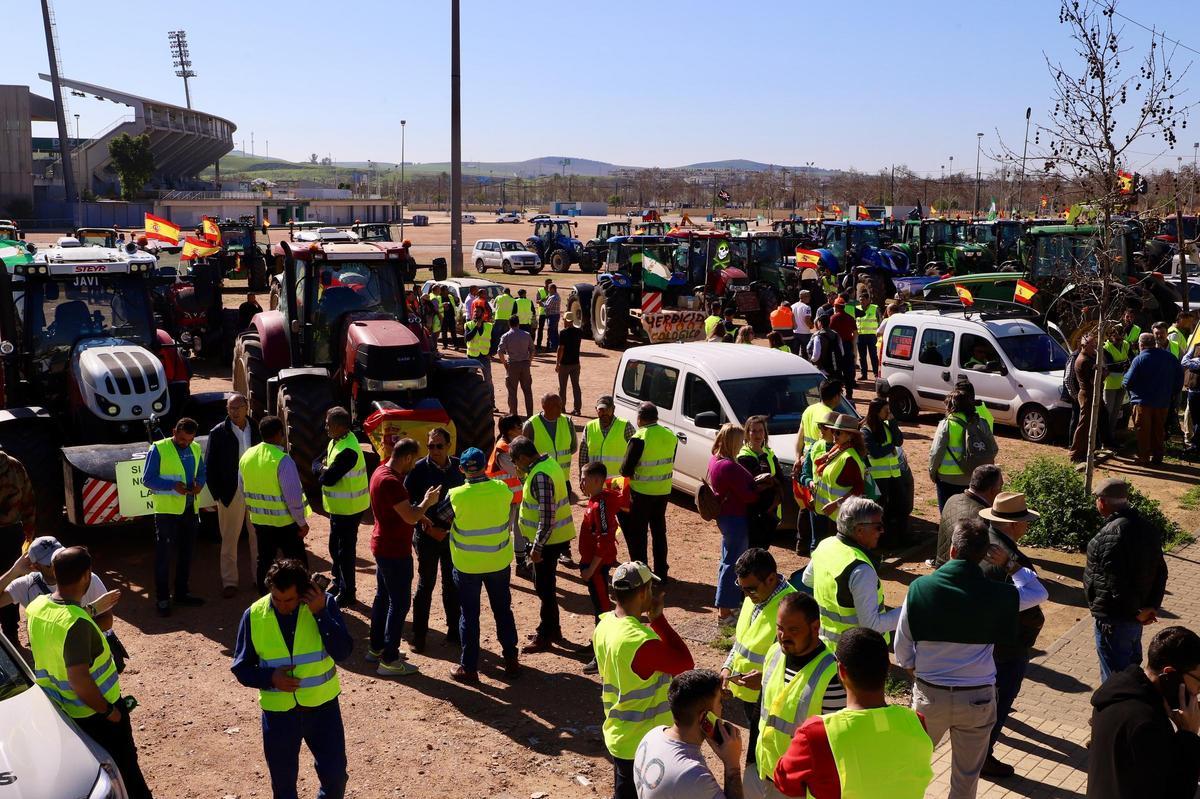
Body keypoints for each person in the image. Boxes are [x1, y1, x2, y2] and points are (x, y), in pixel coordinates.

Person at [894, 520, 1047, 799]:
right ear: (983, 555)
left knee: (912, 764)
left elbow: (902, 641)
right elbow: (1039, 594)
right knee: (966, 777)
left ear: (952, 550)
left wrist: (911, 666)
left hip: (930, 696)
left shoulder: (920, 588)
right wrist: (1010, 564)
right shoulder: (998, 595)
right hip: (977, 699)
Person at [26, 546, 153, 798]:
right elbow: (80, 680)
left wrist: (92, 610)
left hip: (62, 711)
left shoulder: (37, 607)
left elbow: (63, 619)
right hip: (95, 713)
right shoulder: (77, 624)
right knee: (126, 771)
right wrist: (110, 712)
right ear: (87, 575)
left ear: (55, 572)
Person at [231, 558, 352, 799]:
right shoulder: (254, 615)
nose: (281, 606)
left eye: (289, 600)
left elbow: (343, 652)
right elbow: (241, 668)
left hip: (323, 709)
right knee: (283, 786)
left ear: (303, 591)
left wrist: (320, 614)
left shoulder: (323, 604)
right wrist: (271, 677)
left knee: (335, 777)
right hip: (279, 715)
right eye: (276, 598)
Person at [772, 628, 934, 799]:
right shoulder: (916, 722)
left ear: (841, 671)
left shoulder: (815, 734)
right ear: (887, 668)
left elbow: (784, 782)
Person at [594, 561, 694, 799]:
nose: (654, 593)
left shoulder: (605, 624)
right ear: (641, 593)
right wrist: (659, 620)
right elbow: (685, 663)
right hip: (642, 741)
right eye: (650, 588)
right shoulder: (639, 641)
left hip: (620, 733)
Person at [739, 592, 847, 798]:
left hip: (797, 788)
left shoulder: (831, 676)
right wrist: (751, 762)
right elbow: (761, 711)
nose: (783, 635)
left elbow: (834, 745)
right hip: (761, 772)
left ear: (815, 628)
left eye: (793, 629)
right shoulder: (774, 654)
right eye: (780, 628)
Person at [976, 491, 1046, 779]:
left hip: (988, 642)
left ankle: (978, 751)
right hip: (1008, 645)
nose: (1027, 526)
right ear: (1014, 525)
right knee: (1000, 702)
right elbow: (1035, 597)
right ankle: (983, 757)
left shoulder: (985, 541)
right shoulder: (1008, 557)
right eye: (1025, 521)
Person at [436, 447, 521, 683]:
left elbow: (441, 519)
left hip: (467, 566)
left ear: (462, 469)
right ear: (485, 466)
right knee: (503, 611)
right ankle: (511, 660)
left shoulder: (455, 496)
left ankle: (469, 667)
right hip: (498, 562)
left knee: (469, 615)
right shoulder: (502, 490)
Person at [1086, 625, 1200, 799]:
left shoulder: (1116, 692)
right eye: (1198, 681)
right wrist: (1189, 736)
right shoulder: (1146, 724)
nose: (1198, 691)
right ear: (1170, 674)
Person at [367, 438, 440, 678]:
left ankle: (376, 648)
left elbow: (401, 511)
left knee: (383, 597)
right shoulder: (392, 482)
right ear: (407, 457)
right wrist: (426, 504)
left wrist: (418, 514)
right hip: (394, 551)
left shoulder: (380, 472)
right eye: (414, 459)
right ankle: (390, 659)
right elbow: (408, 516)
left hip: (382, 545)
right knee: (399, 604)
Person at [1084, 477, 1168, 681]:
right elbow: (1161, 571)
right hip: (1134, 619)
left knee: (1115, 681)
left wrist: (1137, 611)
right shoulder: (1148, 529)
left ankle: (1113, 712)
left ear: (1103, 502)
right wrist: (1151, 607)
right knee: (1130, 673)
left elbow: (1116, 581)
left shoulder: (1108, 535)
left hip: (1115, 619)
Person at [719, 549, 795, 772]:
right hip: (750, 697)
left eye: (750, 588)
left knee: (764, 757)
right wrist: (727, 666)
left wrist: (764, 681)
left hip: (772, 701)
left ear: (771, 578)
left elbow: (798, 666)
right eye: (741, 588)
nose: (746, 594)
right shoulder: (757, 595)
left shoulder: (791, 609)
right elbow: (743, 641)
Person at [1, 536, 121, 662]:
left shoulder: (86, 578)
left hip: (88, 654)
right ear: (36, 566)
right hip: (53, 663)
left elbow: (107, 620)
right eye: (50, 563)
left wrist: (70, 636)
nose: (57, 565)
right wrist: (14, 571)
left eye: (59, 557)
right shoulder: (26, 585)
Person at [634, 669, 745, 799]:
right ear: (704, 717)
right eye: (720, 701)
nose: (722, 707)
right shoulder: (691, 775)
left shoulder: (652, 735)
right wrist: (733, 767)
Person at [802, 497, 899, 645]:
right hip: (859, 652)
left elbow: (807, 579)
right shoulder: (861, 570)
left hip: (826, 648)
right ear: (859, 530)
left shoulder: (825, 545)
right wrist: (908, 610)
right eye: (878, 526)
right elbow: (871, 625)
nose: (881, 531)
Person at [511, 436, 577, 653]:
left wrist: (537, 547)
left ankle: (545, 635)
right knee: (546, 587)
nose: (515, 466)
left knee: (544, 589)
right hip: (554, 539)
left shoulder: (539, 475)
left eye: (515, 461)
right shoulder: (548, 464)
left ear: (522, 457)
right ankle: (552, 628)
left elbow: (547, 517)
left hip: (547, 543)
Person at [405, 427, 463, 653]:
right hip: (426, 537)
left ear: (449, 446)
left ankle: (454, 631)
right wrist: (429, 529)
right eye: (430, 446)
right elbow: (407, 506)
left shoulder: (459, 467)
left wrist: (447, 531)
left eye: (439, 446)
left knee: (452, 583)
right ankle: (419, 636)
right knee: (425, 584)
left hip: (451, 537)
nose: (434, 450)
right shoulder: (418, 469)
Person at [143, 417, 206, 617]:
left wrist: (199, 484)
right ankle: (162, 599)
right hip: (167, 513)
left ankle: (181, 593)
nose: (185, 443)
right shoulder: (158, 448)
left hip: (189, 509)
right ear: (174, 431)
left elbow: (202, 472)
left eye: (189, 440)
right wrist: (172, 486)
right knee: (164, 556)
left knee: (187, 554)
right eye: (182, 439)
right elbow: (148, 479)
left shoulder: (195, 448)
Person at [240, 416, 310, 593]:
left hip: (260, 521)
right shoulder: (283, 460)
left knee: (264, 560)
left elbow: (242, 488)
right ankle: (302, 596)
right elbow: (293, 498)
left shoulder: (247, 456)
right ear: (280, 434)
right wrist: (301, 522)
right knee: (297, 562)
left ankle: (265, 597)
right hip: (285, 524)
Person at [708, 424, 770, 621]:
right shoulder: (729, 466)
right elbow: (747, 497)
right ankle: (725, 613)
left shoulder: (715, 460)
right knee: (733, 564)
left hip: (726, 517)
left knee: (727, 561)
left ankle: (726, 606)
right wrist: (759, 488)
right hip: (735, 518)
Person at [312, 407, 369, 606]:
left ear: (339, 426)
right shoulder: (335, 442)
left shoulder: (348, 451)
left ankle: (348, 593)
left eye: (328, 423)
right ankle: (338, 582)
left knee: (345, 552)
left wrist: (323, 469)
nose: (325, 426)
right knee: (335, 548)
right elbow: (315, 464)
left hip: (350, 509)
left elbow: (327, 479)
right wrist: (323, 467)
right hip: (338, 508)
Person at [206, 393, 261, 599]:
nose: (235, 412)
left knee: (258, 536)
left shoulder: (256, 428)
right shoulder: (218, 433)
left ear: (247, 407)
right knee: (229, 539)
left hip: (255, 490)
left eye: (238, 407)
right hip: (230, 492)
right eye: (231, 408)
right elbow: (209, 466)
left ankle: (259, 577)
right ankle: (230, 582)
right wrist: (218, 495)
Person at [579, 460, 629, 674]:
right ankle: (598, 645)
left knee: (602, 611)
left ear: (598, 480)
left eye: (584, 478)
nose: (580, 482)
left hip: (596, 568)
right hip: (594, 565)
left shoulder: (600, 506)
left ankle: (602, 657)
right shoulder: (597, 500)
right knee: (600, 609)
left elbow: (606, 540)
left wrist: (591, 569)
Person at [619, 402, 678, 582]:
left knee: (639, 533)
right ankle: (662, 571)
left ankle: (642, 572)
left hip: (641, 493)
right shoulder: (670, 435)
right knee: (659, 532)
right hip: (663, 491)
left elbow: (625, 470)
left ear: (640, 418)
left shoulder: (639, 437)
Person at [1123, 331, 1184, 464]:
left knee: (1143, 431)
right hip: (1163, 402)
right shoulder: (1169, 357)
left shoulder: (1139, 359)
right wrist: (1171, 392)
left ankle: (1143, 457)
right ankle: (1158, 457)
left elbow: (1127, 381)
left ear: (1141, 344)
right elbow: (1179, 378)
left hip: (1143, 402)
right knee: (1158, 430)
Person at [929, 389, 994, 511]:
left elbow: (936, 451)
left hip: (947, 478)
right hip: (973, 478)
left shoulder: (946, 424)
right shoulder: (981, 422)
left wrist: (933, 472)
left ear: (950, 406)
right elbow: (993, 449)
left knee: (948, 513)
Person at [932, 464, 1003, 569]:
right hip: (960, 575)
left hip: (942, 566)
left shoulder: (952, 499)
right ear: (993, 490)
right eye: (1001, 486)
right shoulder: (982, 517)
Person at [0, 446, 35, 644]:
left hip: (10, 533)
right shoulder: (14, 465)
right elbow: (29, 500)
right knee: (10, 581)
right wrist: (29, 532)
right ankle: (11, 633)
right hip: (11, 534)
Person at [860, 398, 906, 547]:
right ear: (876, 411)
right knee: (881, 511)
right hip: (878, 477)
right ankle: (882, 542)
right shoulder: (866, 429)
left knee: (899, 505)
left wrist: (893, 422)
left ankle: (897, 538)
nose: (888, 412)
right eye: (885, 410)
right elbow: (875, 452)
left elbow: (898, 441)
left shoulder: (886, 425)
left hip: (893, 474)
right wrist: (890, 448)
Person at [488, 416, 529, 573]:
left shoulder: (514, 445)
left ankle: (521, 563)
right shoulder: (503, 449)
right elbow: (518, 471)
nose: (522, 428)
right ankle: (499, 564)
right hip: (504, 500)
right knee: (503, 533)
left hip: (515, 497)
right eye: (519, 426)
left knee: (519, 530)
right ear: (510, 430)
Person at [810, 414, 869, 523]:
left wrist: (836, 504)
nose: (834, 435)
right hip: (831, 514)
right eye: (833, 431)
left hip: (841, 517)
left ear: (850, 436)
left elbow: (858, 489)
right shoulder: (837, 451)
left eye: (838, 432)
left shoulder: (849, 458)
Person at [737, 415, 783, 551]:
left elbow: (779, 478)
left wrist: (772, 481)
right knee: (753, 548)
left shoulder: (769, 452)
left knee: (763, 547)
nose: (758, 435)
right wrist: (761, 455)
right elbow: (759, 478)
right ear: (747, 433)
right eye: (754, 431)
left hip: (770, 511)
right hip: (754, 512)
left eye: (761, 431)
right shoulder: (744, 456)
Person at [796, 413, 838, 554]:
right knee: (817, 543)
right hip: (818, 505)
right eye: (819, 426)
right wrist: (810, 482)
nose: (820, 429)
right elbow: (804, 475)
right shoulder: (815, 446)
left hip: (838, 508)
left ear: (834, 430)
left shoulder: (845, 450)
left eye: (823, 427)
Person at [1070, 332, 1110, 463]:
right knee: (1084, 425)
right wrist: (1103, 373)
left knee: (1093, 423)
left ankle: (1089, 450)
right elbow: (1094, 380)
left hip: (1093, 393)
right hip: (1088, 395)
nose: (1095, 347)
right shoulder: (1084, 361)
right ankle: (1076, 453)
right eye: (1092, 345)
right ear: (1084, 346)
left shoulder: (1090, 357)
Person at [523, 392, 578, 488]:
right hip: (541, 481)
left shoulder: (567, 422)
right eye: (556, 406)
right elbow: (524, 455)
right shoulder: (531, 425)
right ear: (545, 407)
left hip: (563, 480)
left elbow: (573, 448)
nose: (560, 408)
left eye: (561, 405)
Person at [580, 394, 633, 481]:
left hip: (617, 482)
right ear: (596, 410)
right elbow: (583, 455)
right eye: (601, 410)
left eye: (607, 409)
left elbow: (634, 452)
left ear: (613, 409)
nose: (604, 413)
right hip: (595, 482)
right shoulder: (590, 426)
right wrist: (583, 477)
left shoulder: (625, 426)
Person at [497, 315, 535, 418]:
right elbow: (532, 349)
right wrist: (529, 361)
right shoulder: (526, 334)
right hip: (525, 364)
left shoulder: (506, 336)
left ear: (509, 324)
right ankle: (530, 415)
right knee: (527, 391)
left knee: (512, 392)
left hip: (512, 365)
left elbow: (500, 352)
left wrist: (504, 363)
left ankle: (514, 416)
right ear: (518, 323)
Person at [796, 379, 844, 460]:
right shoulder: (830, 416)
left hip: (806, 458)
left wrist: (797, 458)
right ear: (836, 397)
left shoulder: (809, 409)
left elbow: (800, 437)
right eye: (841, 394)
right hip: (819, 459)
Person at [1102, 323, 1132, 443]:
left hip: (1122, 383)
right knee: (1108, 411)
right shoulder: (1105, 347)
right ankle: (1104, 437)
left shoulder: (1125, 344)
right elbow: (1110, 366)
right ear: (1110, 336)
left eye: (1122, 338)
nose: (1120, 341)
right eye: (1117, 339)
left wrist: (1122, 365)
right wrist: (1123, 364)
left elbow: (1131, 360)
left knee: (1116, 412)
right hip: (1109, 385)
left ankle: (1111, 435)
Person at [828, 297, 857, 399]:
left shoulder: (833, 318)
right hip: (848, 346)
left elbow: (829, 332)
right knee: (848, 371)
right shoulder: (850, 318)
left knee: (837, 371)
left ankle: (838, 393)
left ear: (836, 306)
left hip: (836, 348)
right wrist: (853, 346)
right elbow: (855, 333)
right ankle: (849, 394)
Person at [464, 305, 495, 401]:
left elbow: (494, 341)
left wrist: (491, 353)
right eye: (474, 311)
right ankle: (469, 400)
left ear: (483, 314)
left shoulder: (489, 326)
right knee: (470, 380)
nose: (475, 313)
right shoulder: (468, 325)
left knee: (488, 380)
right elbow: (467, 338)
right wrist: (476, 327)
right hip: (472, 358)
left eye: (477, 312)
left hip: (484, 357)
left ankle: (491, 401)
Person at [557, 312, 584, 414]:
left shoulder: (563, 333)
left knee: (562, 387)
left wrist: (557, 363)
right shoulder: (579, 332)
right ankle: (577, 409)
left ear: (566, 321)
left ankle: (562, 407)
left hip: (564, 364)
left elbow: (561, 349)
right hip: (575, 363)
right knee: (576, 386)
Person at [853, 289, 880, 381]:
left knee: (873, 356)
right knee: (862, 357)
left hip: (872, 336)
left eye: (863, 299)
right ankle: (864, 374)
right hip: (860, 336)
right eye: (860, 300)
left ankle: (876, 373)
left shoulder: (875, 308)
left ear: (868, 300)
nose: (861, 301)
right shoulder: (857, 308)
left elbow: (880, 321)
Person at [807, 316, 844, 381]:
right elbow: (842, 352)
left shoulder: (818, 336)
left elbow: (816, 356)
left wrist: (812, 361)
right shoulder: (836, 334)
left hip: (822, 370)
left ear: (820, 323)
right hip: (835, 370)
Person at [1184, 339, 1200, 452]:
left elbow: (1188, 361)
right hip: (1193, 390)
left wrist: (1194, 362)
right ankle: (1195, 445)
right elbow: (1184, 361)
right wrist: (1198, 362)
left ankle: (1196, 445)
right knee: (1195, 419)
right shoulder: (1196, 345)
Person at [790, 290, 813, 357]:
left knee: (795, 354)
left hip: (795, 332)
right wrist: (811, 326)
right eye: (808, 296)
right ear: (804, 297)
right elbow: (807, 320)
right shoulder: (807, 307)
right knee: (805, 353)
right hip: (805, 333)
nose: (809, 298)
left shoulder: (792, 306)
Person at [541, 283, 562, 352]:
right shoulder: (556, 295)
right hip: (556, 315)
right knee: (555, 331)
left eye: (549, 289)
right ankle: (556, 346)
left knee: (551, 331)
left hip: (552, 316)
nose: (548, 290)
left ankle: (552, 347)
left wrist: (541, 303)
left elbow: (547, 306)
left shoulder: (553, 297)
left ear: (552, 289)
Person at [534, 279, 553, 348]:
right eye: (549, 283)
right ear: (545, 283)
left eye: (551, 283)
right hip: (542, 313)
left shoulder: (552, 291)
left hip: (550, 313)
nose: (550, 284)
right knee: (540, 329)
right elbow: (537, 301)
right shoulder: (540, 290)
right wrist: (546, 298)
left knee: (550, 329)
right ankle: (539, 345)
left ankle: (549, 345)